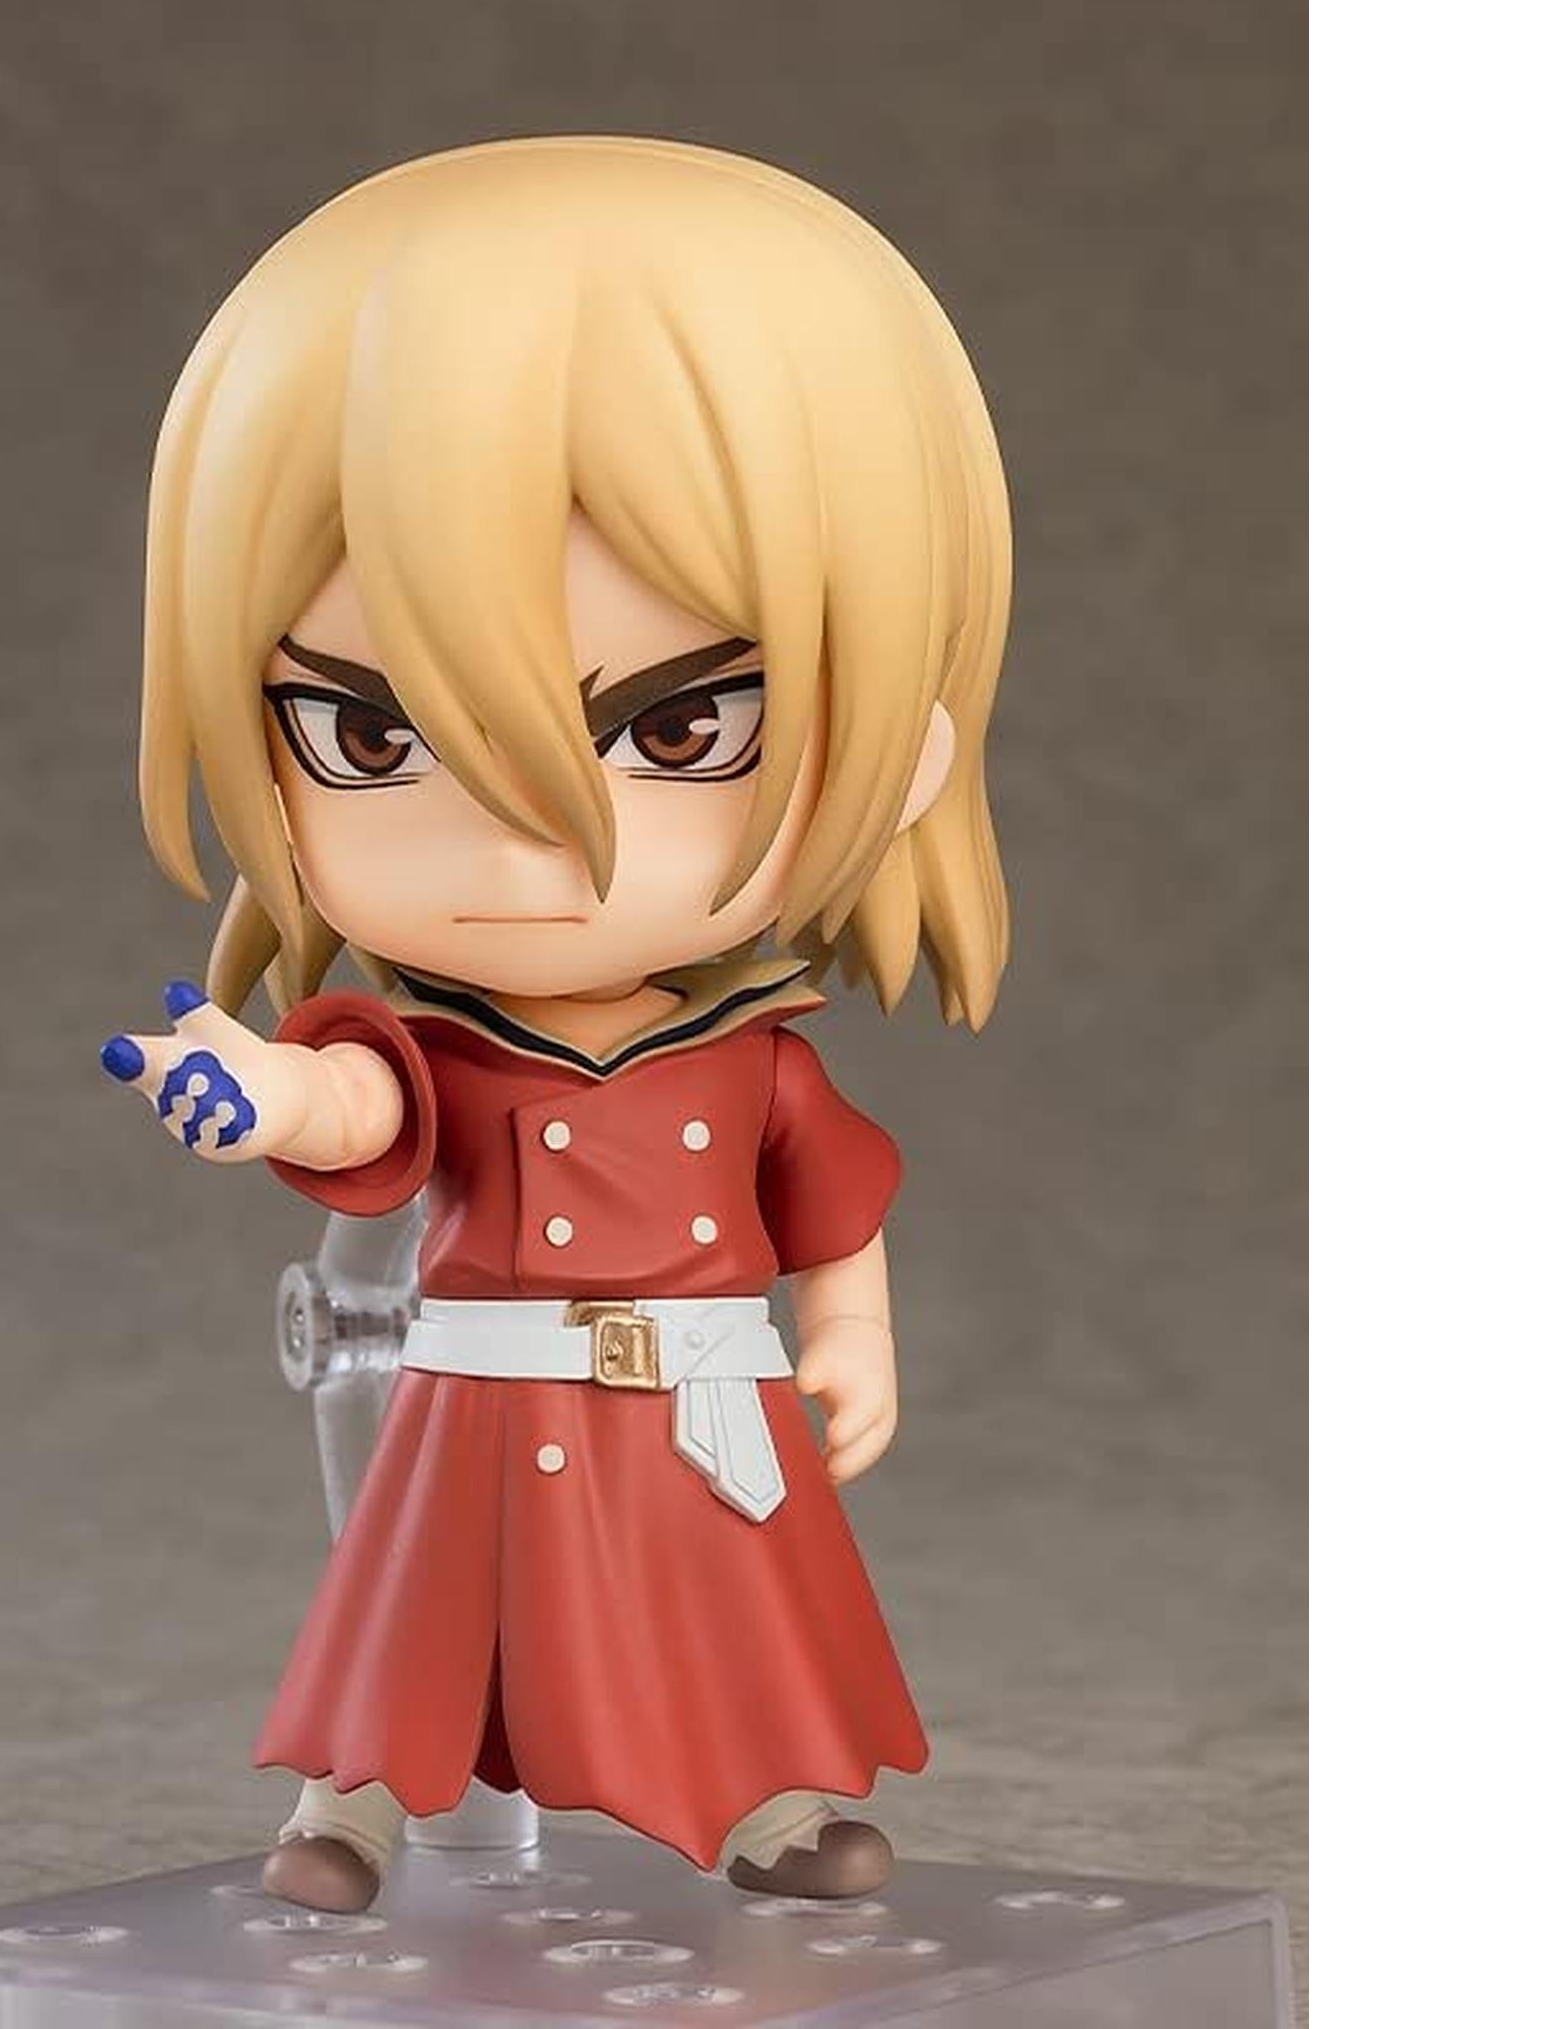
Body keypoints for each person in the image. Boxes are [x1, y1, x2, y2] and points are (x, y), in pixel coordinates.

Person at [101, 137, 1013, 1914]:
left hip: (694, 1403)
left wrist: (854, 1336)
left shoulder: (755, 1057)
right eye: (371, 737)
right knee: (417, 1618)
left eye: (682, 729)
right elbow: (365, 1106)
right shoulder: (445, 1046)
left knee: (731, 1618)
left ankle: (765, 1810)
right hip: (481, 1403)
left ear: (902, 746)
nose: (519, 849)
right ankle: (352, 1813)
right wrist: (261, 1092)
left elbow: (832, 1206)